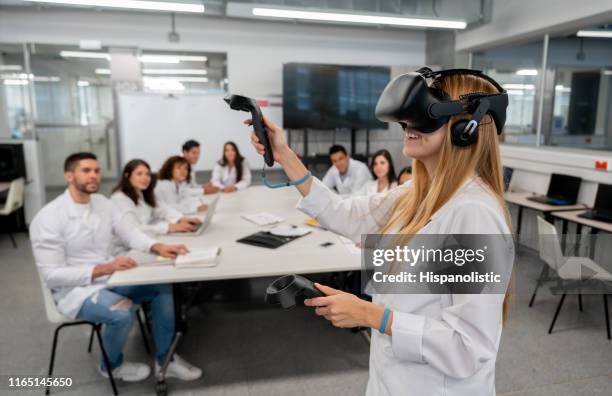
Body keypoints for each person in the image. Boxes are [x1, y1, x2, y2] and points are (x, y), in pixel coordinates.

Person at [249, 70, 512, 395]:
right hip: (391, 380)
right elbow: (345, 213)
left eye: (424, 116)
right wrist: (285, 155)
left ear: (467, 130)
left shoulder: (474, 215)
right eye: (407, 119)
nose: (408, 127)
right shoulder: (417, 192)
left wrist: (373, 315)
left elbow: (468, 349)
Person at [30, 152, 202, 383]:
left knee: (162, 287)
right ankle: (111, 365)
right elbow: (52, 276)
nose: (93, 175)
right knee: (120, 313)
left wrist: (156, 246)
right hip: (76, 290)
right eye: (86, 170)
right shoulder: (49, 217)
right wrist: (106, 267)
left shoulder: (102, 203)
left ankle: (165, 359)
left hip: (111, 278)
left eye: (97, 171)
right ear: (69, 176)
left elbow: (130, 233)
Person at [110, 159, 202, 253]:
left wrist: (182, 218)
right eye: (139, 174)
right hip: (123, 250)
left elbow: (161, 209)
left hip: (142, 243)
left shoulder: (142, 193)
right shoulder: (120, 199)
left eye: (147, 174)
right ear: (127, 175)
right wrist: (169, 227)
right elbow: (134, 230)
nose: (145, 178)